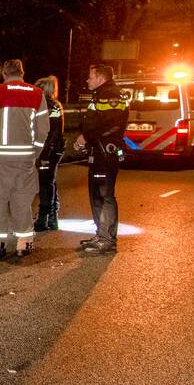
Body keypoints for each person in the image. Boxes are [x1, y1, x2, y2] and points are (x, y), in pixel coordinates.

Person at [0, 59, 50, 258]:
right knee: (22, 200)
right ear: (22, 73)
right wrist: (35, 153)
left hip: (0, 158)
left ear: (5, 74)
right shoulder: (37, 94)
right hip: (25, 158)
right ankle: (24, 243)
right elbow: (43, 130)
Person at [74, 64, 129, 253]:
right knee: (97, 194)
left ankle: (107, 239)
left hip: (106, 153)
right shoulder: (101, 94)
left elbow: (112, 125)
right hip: (98, 152)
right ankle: (101, 234)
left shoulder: (111, 95)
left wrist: (86, 137)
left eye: (90, 76)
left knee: (105, 195)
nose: (87, 80)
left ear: (101, 78)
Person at [34, 76, 65, 231]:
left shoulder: (46, 106)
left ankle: (43, 219)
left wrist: (44, 155)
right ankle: (52, 217)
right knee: (50, 182)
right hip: (55, 149)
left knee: (45, 184)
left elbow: (50, 134)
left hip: (49, 151)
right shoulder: (55, 105)